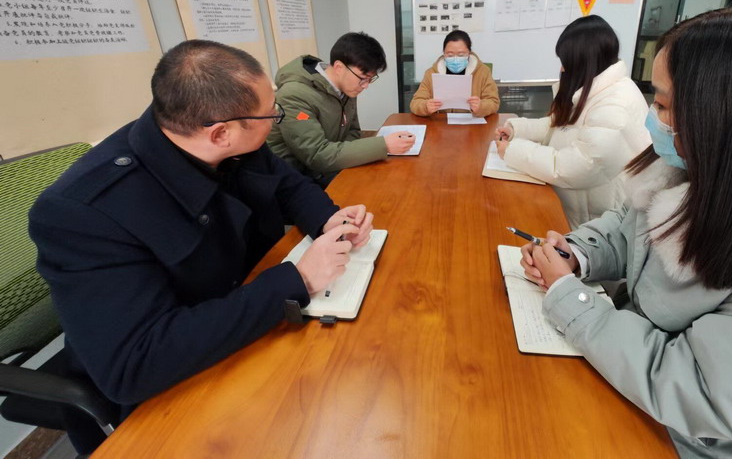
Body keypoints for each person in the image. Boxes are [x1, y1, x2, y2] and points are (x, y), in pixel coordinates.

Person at [31, 40, 374, 454]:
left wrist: (328, 219)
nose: (276, 119)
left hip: (245, 322)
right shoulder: (84, 213)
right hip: (174, 388)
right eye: (272, 114)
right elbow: (134, 365)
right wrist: (298, 278)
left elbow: (287, 183)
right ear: (221, 134)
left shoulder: (212, 134)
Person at [521, 3, 732, 458]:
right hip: (637, 385)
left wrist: (571, 298)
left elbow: (699, 392)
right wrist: (576, 253)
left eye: (663, 105)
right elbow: (626, 229)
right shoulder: (688, 168)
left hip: (698, 442)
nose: (652, 117)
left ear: (726, 115)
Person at [495, 15, 650, 229]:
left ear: (583, 62)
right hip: (579, 208)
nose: (562, 69)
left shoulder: (615, 104)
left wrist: (513, 151)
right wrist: (517, 130)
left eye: (566, 62)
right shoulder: (596, 89)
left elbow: (578, 166)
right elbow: (558, 126)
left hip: (597, 223)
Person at [267, 32, 414, 188]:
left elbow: (353, 131)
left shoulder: (347, 87)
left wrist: (341, 154)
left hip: (327, 168)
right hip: (292, 179)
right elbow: (317, 156)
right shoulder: (294, 95)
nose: (365, 86)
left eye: (370, 79)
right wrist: (384, 145)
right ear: (339, 67)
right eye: (363, 78)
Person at [409, 29, 500, 117]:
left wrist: (481, 106)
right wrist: (426, 107)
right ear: (444, 53)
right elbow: (415, 103)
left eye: (461, 55)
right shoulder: (431, 73)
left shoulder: (483, 72)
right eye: (450, 55)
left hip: (471, 122)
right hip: (441, 122)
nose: (455, 59)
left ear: (469, 53)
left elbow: (493, 102)